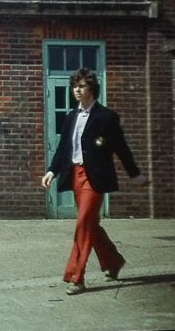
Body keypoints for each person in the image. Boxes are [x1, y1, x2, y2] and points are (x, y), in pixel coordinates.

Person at [41, 68, 148, 295]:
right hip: (76, 175)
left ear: (91, 89)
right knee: (90, 225)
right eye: (75, 86)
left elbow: (121, 148)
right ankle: (113, 261)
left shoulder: (106, 117)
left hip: (95, 178)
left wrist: (135, 174)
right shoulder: (70, 116)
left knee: (82, 224)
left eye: (82, 86)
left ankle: (76, 277)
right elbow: (63, 149)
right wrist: (51, 171)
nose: (77, 90)